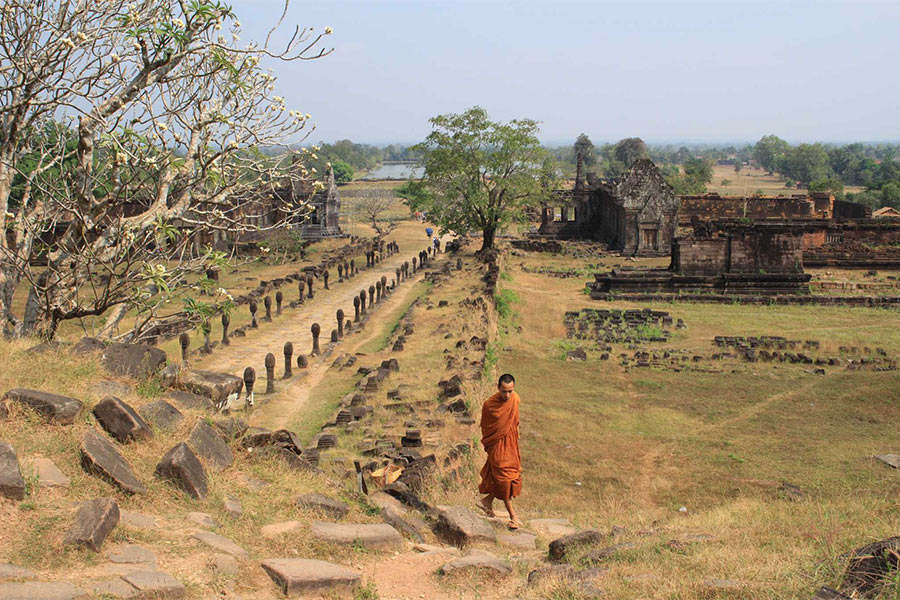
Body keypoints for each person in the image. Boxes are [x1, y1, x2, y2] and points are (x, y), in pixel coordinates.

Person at [477, 373, 522, 529]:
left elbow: (514, 421)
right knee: (504, 479)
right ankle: (513, 516)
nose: (507, 395)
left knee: (509, 476)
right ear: (498, 388)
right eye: (504, 391)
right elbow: (486, 427)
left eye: (510, 391)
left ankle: (487, 501)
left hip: (511, 444)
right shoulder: (489, 405)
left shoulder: (515, 399)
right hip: (496, 446)